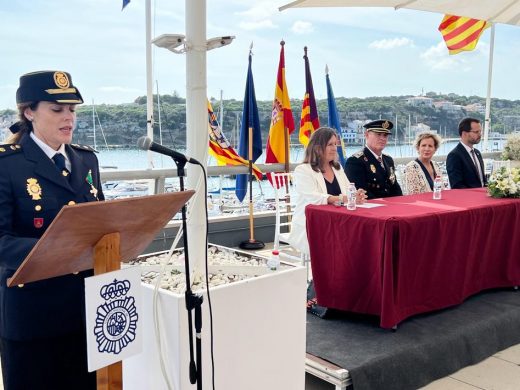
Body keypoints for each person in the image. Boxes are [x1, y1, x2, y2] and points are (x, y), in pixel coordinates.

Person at [0, 70, 104, 390]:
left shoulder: (87, 161)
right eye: (56, 110)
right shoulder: (7, 165)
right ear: (29, 112)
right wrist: (58, 250)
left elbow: (100, 222)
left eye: (72, 110)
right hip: (33, 316)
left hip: (87, 314)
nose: (68, 118)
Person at [288, 127, 366, 255]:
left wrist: (356, 195)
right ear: (317, 147)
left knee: (360, 236)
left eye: (335, 144)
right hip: (313, 224)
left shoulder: (338, 168)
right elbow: (314, 198)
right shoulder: (303, 170)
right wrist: (342, 198)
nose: (335, 148)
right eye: (330, 144)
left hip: (339, 221)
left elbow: (348, 192)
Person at [344, 119, 402, 199]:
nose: (382, 138)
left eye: (385, 135)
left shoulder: (388, 160)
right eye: (378, 134)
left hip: (391, 206)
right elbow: (362, 192)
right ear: (366, 135)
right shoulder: (355, 161)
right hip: (371, 207)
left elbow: (395, 187)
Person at [446, 117, 487, 189]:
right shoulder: (454, 155)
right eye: (476, 132)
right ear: (464, 134)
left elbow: (482, 181)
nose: (480, 135)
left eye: (480, 131)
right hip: (468, 198)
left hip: (483, 196)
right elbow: (456, 185)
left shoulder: (477, 153)